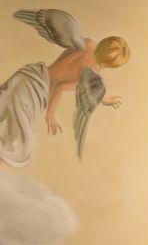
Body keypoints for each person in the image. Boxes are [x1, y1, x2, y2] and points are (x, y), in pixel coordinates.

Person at [0, 9, 129, 167]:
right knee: (18, 145)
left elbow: (85, 84)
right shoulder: (89, 71)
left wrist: (100, 98)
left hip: (29, 75)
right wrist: (50, 115)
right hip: (35, 90)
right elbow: (59, 86)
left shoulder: (87, 43)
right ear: (110, 65)